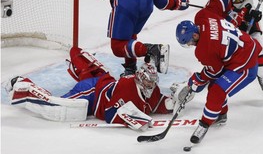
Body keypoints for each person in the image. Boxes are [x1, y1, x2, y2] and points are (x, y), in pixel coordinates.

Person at [6, 47, 185, 131]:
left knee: (94, 76)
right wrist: (133, 118)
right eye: (148, 83)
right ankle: (21, 83)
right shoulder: (126, 87)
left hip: (104, 81)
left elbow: (157, 103)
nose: (151, 86)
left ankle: (83, 64)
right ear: (139, 79)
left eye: (153, 83)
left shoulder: (150, 89)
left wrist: (173, 102)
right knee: (62, 106)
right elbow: (108, 114)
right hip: (92, 92)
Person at [174, 0, 262, 144]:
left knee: (217, 90)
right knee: (215, 85)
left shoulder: (203, 50)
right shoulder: (203, 16)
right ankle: (220, 115)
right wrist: (231, 13)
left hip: (245, 64)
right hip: (244, 47)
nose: (190, 45)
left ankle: (205, 124)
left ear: (195, 35)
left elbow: (214, 71)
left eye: (189, 42)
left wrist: (196, 81)